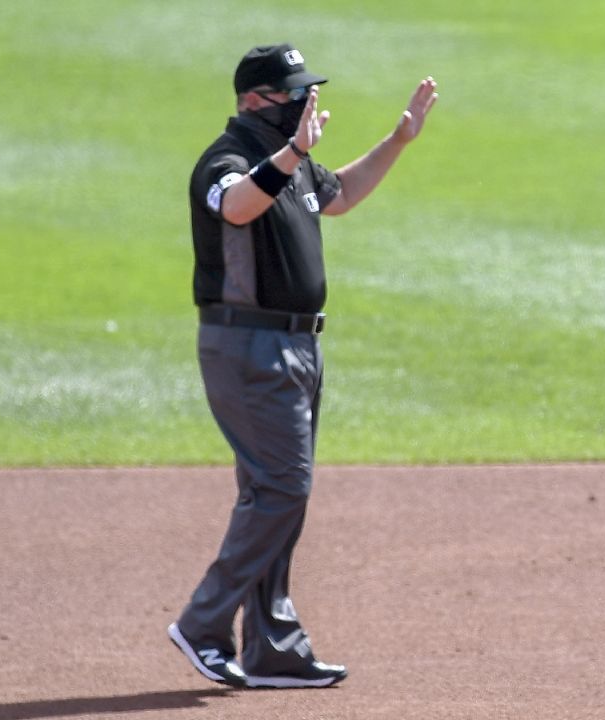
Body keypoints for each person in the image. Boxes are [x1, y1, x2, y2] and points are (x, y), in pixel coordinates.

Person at [169, 42, 438, 689]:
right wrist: (291, 155)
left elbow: (339, 195)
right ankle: (204, 626)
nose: (303, 103)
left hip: (295, 348)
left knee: (274, 497)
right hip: (247, 346)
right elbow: (234, 205)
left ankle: (272, 648)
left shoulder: (291, 164)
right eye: (292, 94)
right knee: (283, 490)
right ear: (254, 100)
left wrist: (398, 140)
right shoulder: (228, 159)